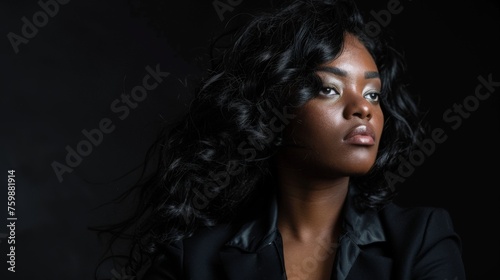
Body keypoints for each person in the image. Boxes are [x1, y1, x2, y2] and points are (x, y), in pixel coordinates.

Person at [94, 0, 466, 279]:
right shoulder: (193, 258)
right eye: (329, 89)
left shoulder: (421, 239)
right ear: (272, 109)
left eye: (372, 94)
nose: (363, 109)